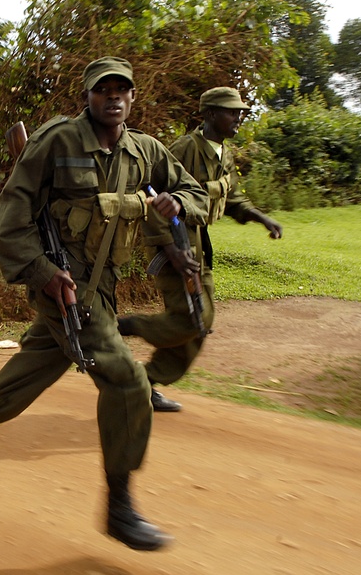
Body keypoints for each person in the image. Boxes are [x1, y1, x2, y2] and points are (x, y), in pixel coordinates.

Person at [0, 57, 209, 552]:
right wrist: (40, 272)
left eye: (122, 89)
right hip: (62, 282)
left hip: (103, 286)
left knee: (38, 364)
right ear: (87, 95)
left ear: (133, 97)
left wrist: (177, 206)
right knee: (126, 380)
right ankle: (120, 507)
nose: (114, 97)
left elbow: (193, 191)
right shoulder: (56, 141)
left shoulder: (145, 152)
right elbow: (12, 212)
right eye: (104, 89)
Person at [120, 86, 283, 412]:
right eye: (231, 112)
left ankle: (145, 382)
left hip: (198, 243)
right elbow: (153, 199)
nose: (238, 118)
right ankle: (119, 326)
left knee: (200, 324)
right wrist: (171, 249)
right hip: (174, 243)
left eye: (240, 112)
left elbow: (231, 197)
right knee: (193, 320)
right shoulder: (185, 148)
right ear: (209, 115)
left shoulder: (223, 153)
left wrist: (260, 217)